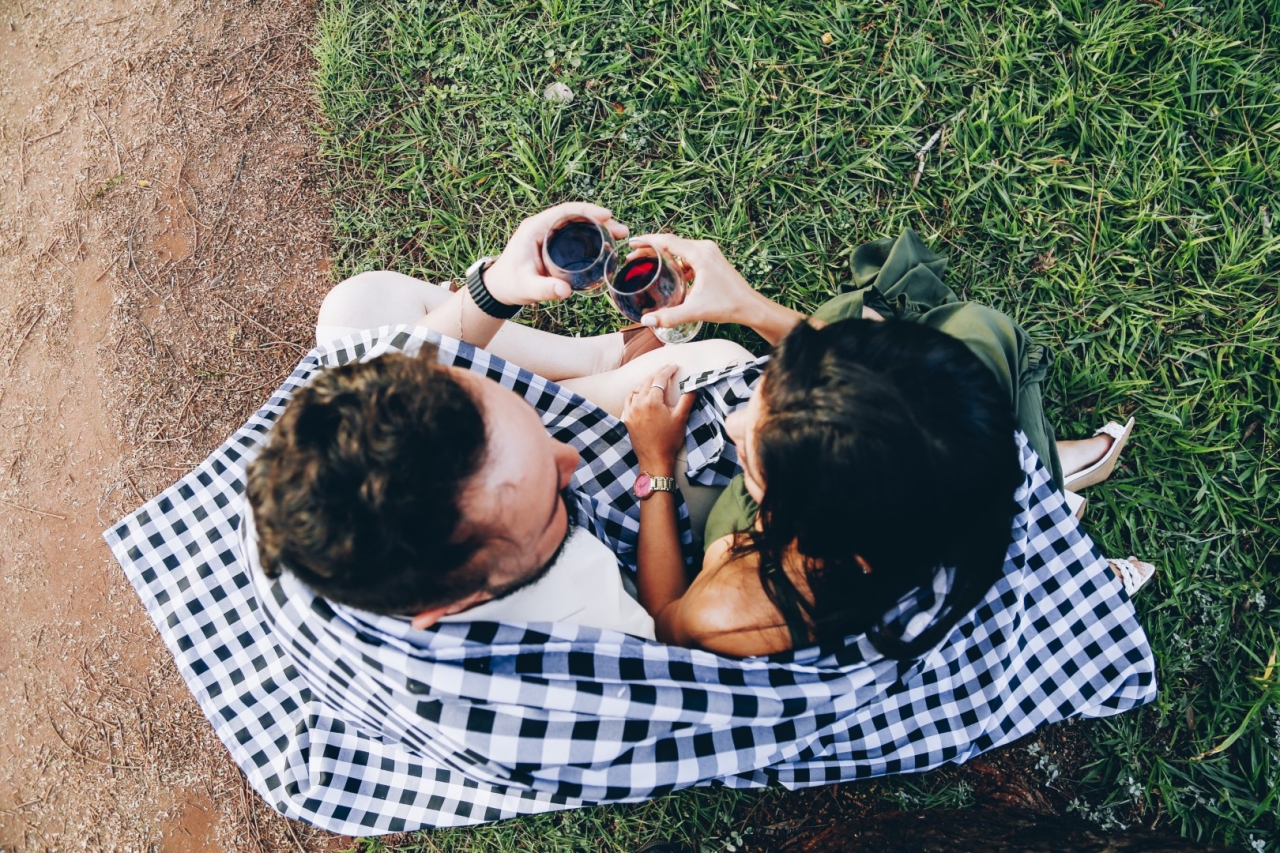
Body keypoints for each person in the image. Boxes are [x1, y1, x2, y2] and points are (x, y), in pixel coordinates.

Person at [616, 231, 1153, 656]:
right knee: (972, 332)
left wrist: (655, 465)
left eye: (757, 453)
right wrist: (745, 306)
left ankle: (1047, 485)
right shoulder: (913, 499)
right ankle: (1040, 472)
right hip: (939, 505)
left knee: (870, 323)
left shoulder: (733, 609)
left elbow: (664, 617)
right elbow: (861, 377)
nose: (733, 423)